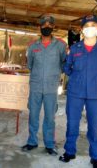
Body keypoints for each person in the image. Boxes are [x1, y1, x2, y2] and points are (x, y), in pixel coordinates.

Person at [59, 15, 97, 168]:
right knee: (72, 123)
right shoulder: (75, 48)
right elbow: (67, 67)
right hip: (75, 92)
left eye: (93, 25)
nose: (90, 28)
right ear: (82, 29)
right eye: (87, 26)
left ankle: (96, 157)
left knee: (95, 127)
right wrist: (76, 77)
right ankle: (69, 152)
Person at [22, 15, 67, 155]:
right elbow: (30, 65)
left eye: (50, 25)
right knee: (33, 115)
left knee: (50, 117)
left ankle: (49, 144)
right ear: (40, 27)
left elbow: (63, 64)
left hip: (51, 88)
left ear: (53, 27)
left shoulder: (60, 45)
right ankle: (32, 142)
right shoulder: (33, 46)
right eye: (44, 25)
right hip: (35, 86)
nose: (47, 27)